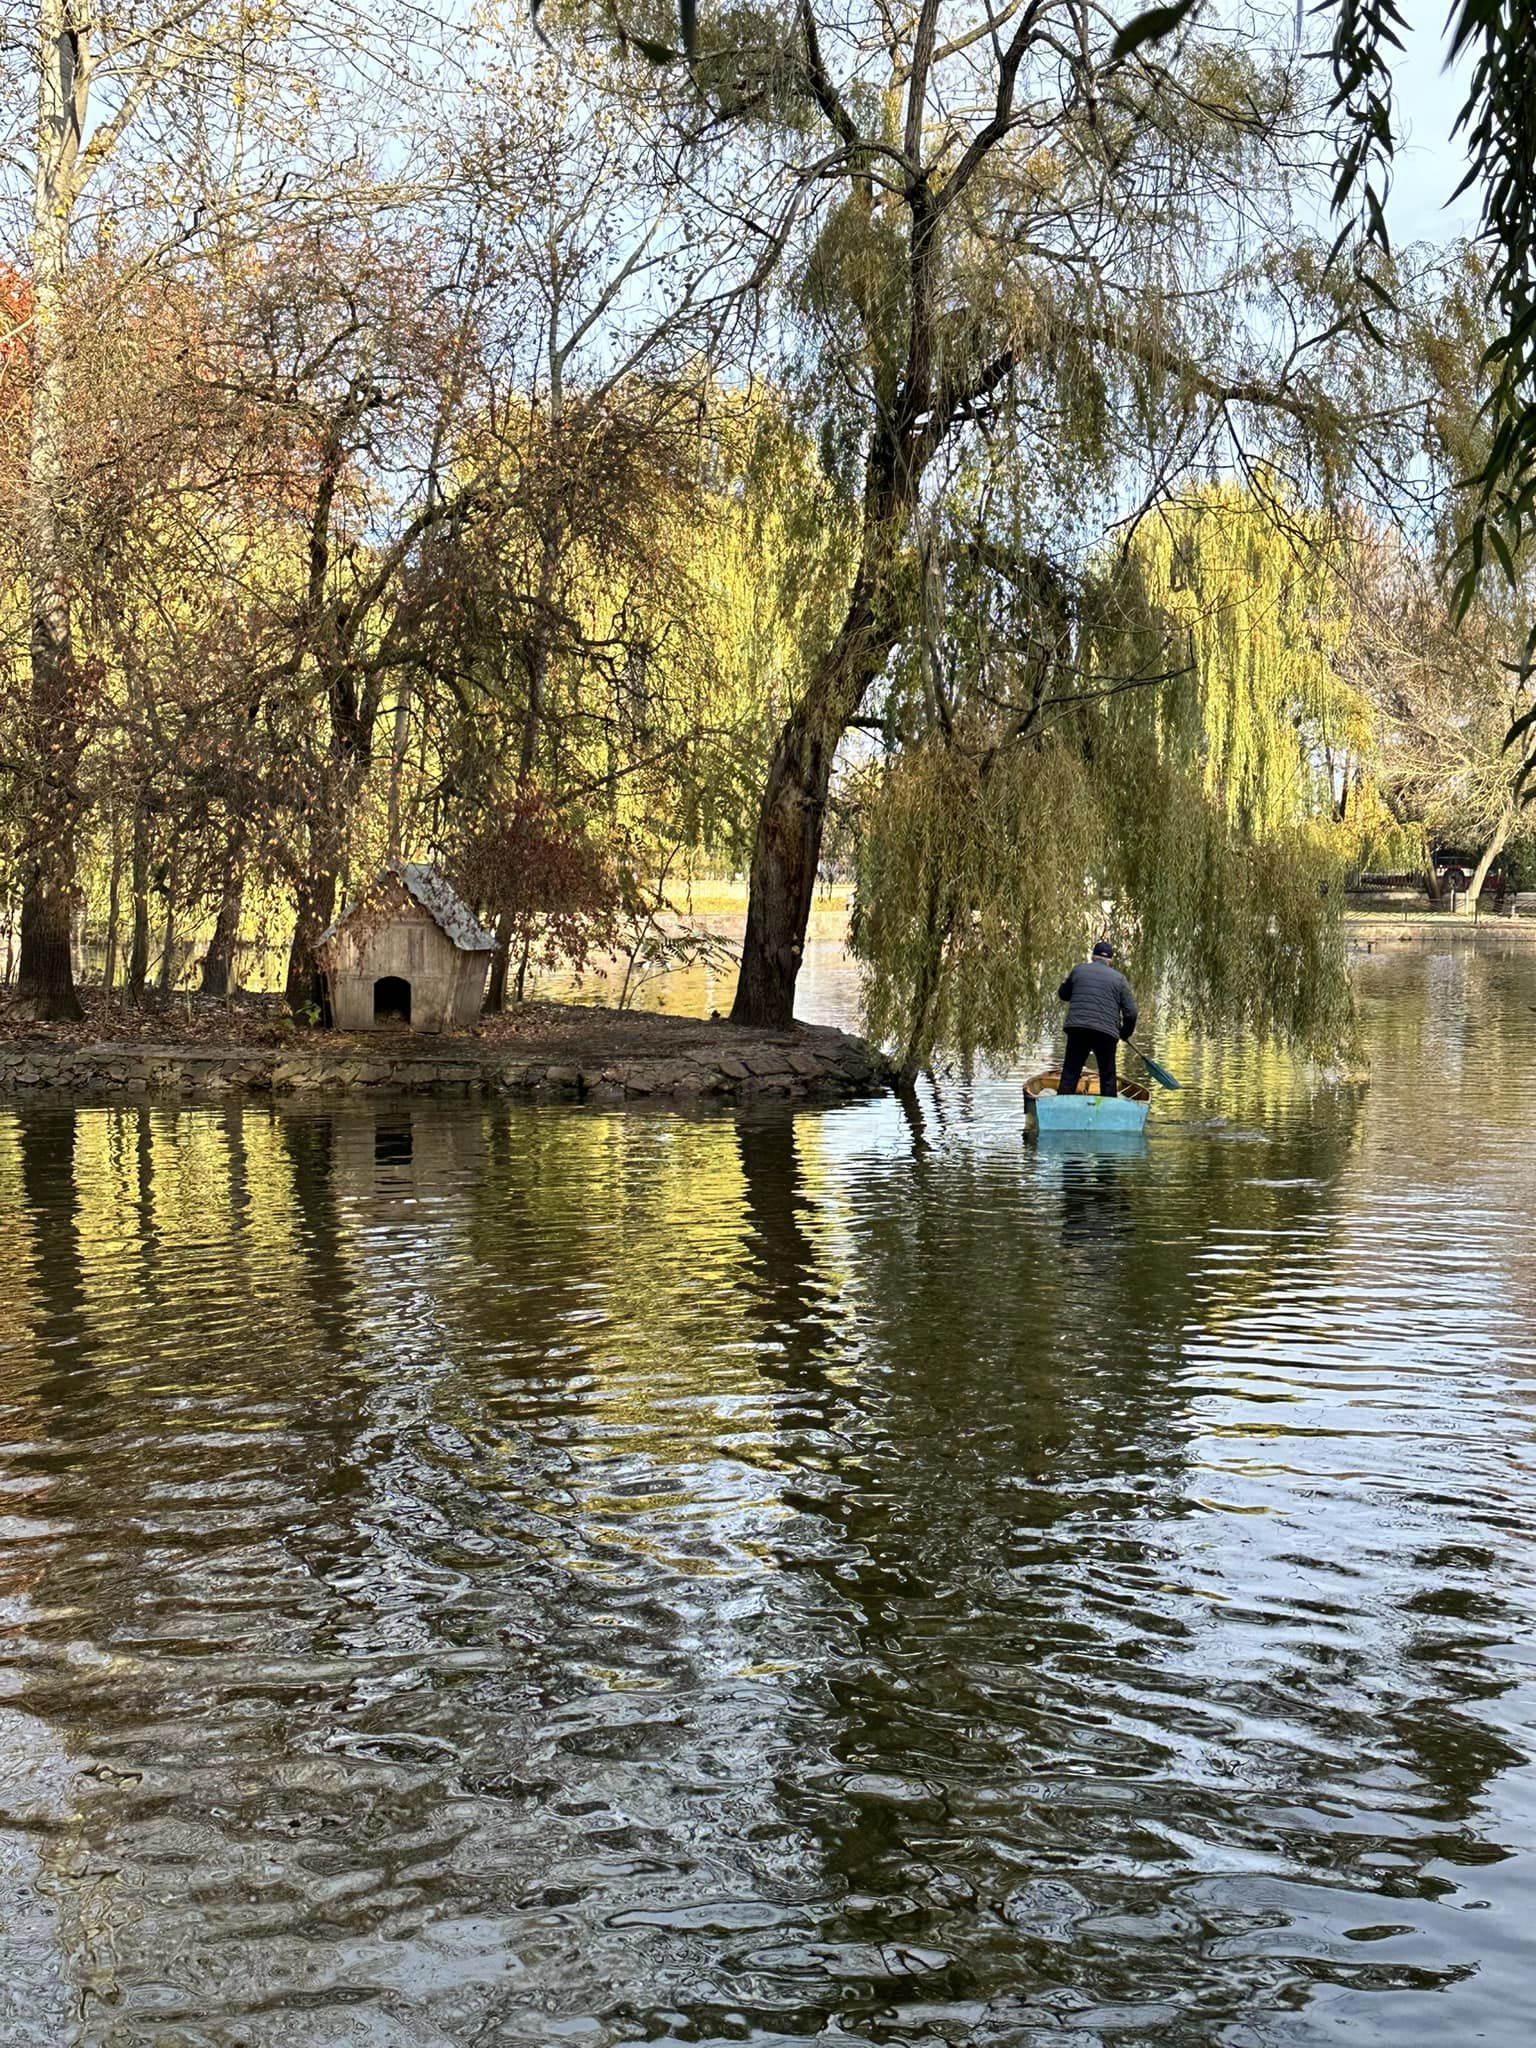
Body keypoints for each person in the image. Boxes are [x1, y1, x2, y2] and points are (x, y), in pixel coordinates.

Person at [1056, 940, 1138, 1097]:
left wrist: (1064, 983)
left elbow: (1064, 995)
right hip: (1106, 1033)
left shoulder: (1078, 971)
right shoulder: (1119, 979)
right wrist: (1125, 1033)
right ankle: (1108, 1112)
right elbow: (1131, 1012)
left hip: (1078, 1029)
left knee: (1071, 1071)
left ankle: (1062, 1107)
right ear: (1110, 961)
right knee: (1108, 1076)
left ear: (1093, 957)